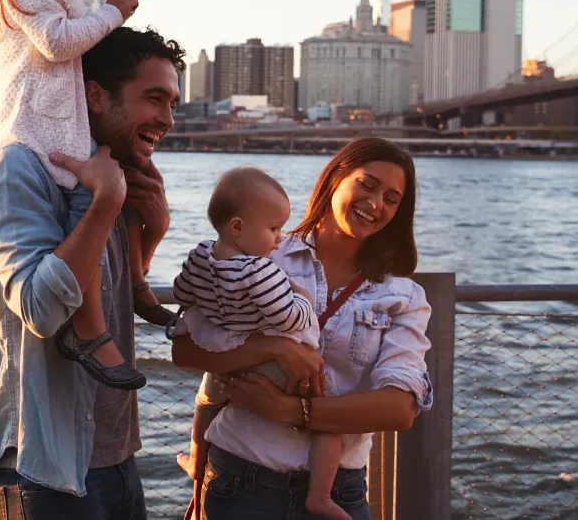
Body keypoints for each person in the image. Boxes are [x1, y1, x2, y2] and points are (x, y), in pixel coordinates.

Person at [0, 26, 185, 519]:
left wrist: (151, 232)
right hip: (42, 470)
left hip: (117, 458)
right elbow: (40, 309)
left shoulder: (109, 171)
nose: (167, 119)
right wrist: (105, 203)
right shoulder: (18, 168)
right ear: (94, 95)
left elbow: (108, 293)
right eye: (154, 99)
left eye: (172, 103)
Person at [0, 0, 172, 391]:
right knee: (93, 204)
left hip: (68, 125)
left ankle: (136, 288)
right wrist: (112, 10)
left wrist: (114, 12)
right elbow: (59, 42)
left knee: (119, 190)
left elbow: (90, 44)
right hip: (40, 128)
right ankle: (91, 331)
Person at [172, 138, 434, 520]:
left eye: (392, 199)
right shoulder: (262, 252)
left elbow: (399, 409)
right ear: (335, 178)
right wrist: (275, 349)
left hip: (339, 492)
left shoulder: (402, 295)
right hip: (241, 480)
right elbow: (185, 350)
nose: (376, 204)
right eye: (368, 184)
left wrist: (291, 410)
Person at [172, 167, 351, 519]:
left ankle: (197, 458)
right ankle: (320, 495)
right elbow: (288, 318)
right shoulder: (260, 269)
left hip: (228, 356)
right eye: (273, 229)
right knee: (331, 419)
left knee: (208, 402)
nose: (279, 239)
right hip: (273, 366)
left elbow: (181, 292)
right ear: (238, 227)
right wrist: (300, 298)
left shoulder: (200, 257)